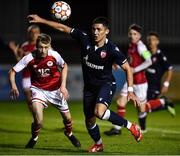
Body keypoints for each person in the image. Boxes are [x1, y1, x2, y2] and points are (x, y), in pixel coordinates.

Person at [27, 14, 143, 152]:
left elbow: (128, 69)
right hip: (89, 88)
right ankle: (99, 144)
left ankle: (131, 126)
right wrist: (41, 20)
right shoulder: (84, 37)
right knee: (89, 121)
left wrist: (130, 91)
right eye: (93, 29)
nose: (95, 32)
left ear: (106, 31)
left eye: (99, 29)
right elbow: (63, 27)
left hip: (106, 84)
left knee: (99, 112)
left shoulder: (112, 49)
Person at [9, 33, 81, 148]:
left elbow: (64, 66)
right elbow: (12, 71)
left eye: (46, 47)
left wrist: (63, 86)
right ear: (36, 46)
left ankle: (69, 133)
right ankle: (34, 137)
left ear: (49, 46)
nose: (43, 50)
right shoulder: (29, 58)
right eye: (41, 47)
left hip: (55, 90)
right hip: (38, 90)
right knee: (39, 120)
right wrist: (13, 86)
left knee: (68, 118)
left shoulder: (54, 55)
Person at [104, 24, 152, 135]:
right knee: (120, 102)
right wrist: (117, 64)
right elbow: (129, 63)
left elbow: (149, 61)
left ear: (139, 35)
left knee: (141, 109)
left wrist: (135, 69)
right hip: (130, 81)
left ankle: (143, 127)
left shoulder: (141, 47)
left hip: (140, 83)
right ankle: (117, 129)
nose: (132, 36)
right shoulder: (131, 46)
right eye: (130, 34)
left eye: (135, 34)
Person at [8, 25, 41, 112]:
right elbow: (20, 61)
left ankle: (38, 115)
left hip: (38, 75)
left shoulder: (41, 45)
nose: (34, 34)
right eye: (32, 32)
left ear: (39, 34)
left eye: (36, 32)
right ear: (28, 34)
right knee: (29, 100)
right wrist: (15, 51)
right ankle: (36, 118)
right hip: (26, 75)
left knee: (38, 99)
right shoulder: (24, 46)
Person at [145, 32, 175, 115]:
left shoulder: (160, 56)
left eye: (153, 40)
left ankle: (164, 102)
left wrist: (166, 84)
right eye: (149, 40)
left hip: (154, 86)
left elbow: (170, 69)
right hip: (144, 85)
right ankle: (165, 104)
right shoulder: (146, 54)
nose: (151, 42)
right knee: (144, 108)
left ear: (157, 42)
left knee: (145, 108)